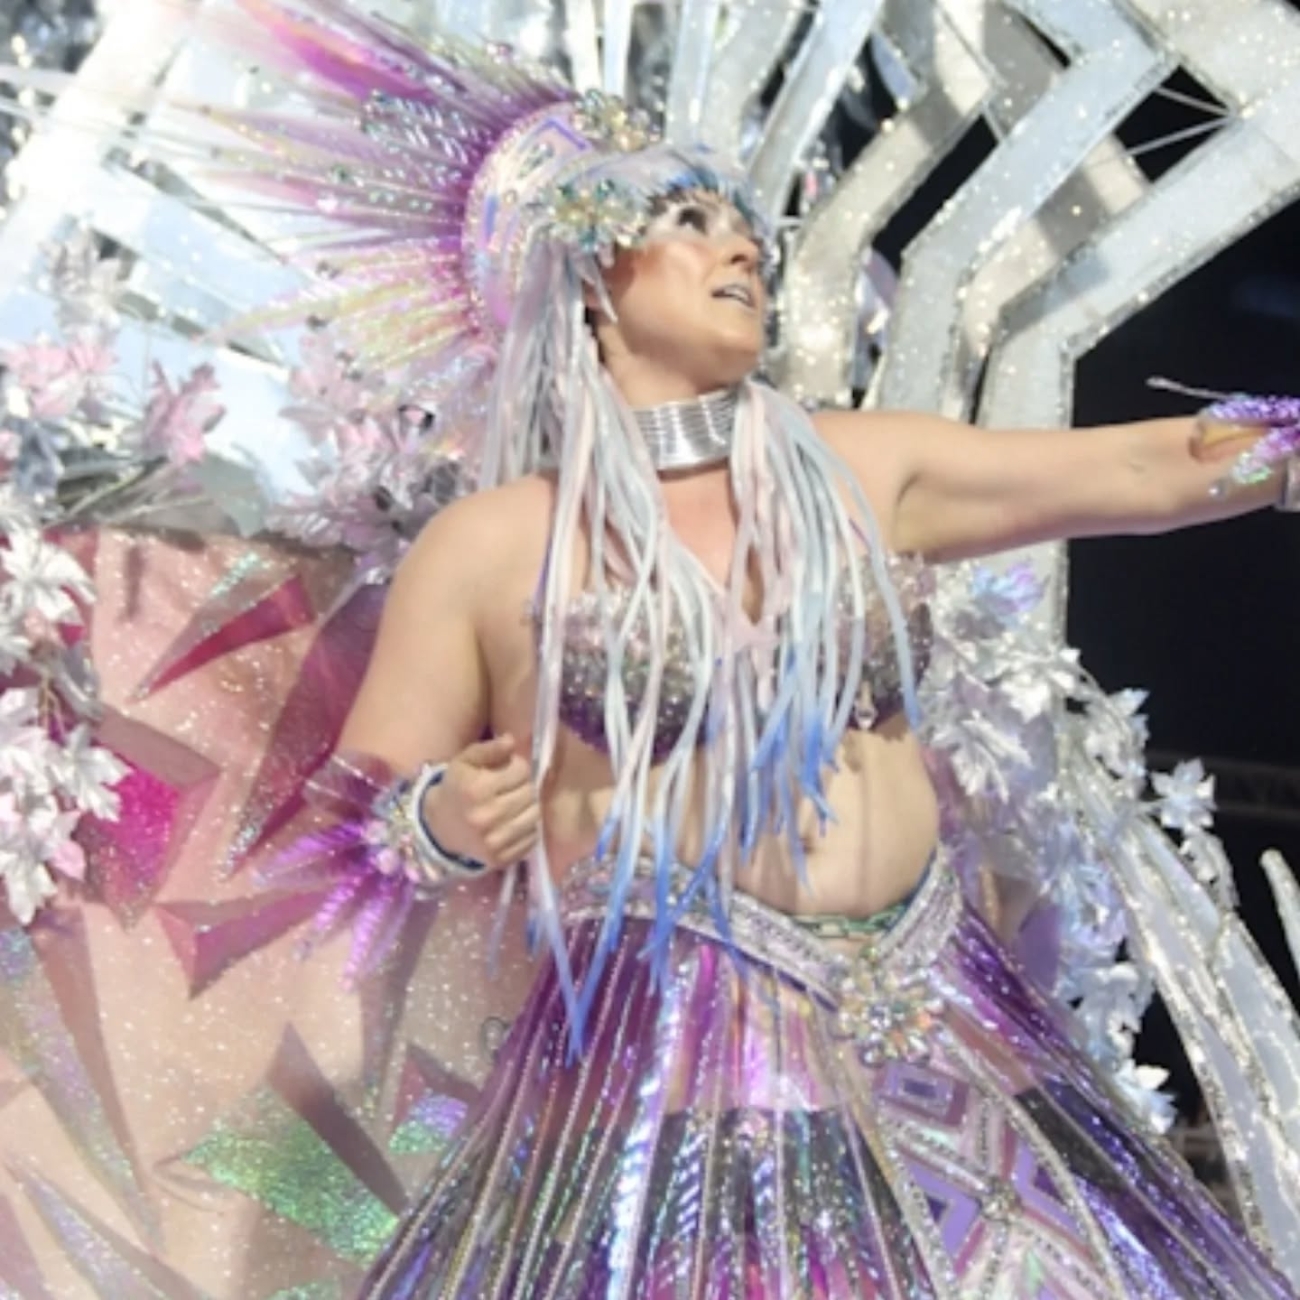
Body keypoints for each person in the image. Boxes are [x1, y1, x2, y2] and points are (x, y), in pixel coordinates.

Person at [3, 2, 1299, 1296]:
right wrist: (439, 821)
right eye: (688, 220)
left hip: (954, 1031)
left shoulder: (864, 465)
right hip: (680, 1083)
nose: (742, 244)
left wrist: (1282, 449)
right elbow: (349, 831)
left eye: (742, 224)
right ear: (584, 279)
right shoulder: (494, 548)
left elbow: (1149, 465)